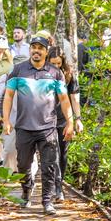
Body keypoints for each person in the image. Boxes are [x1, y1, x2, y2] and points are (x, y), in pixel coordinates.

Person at [2, 36, 74, 215]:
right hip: (24, 127)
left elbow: (64, 99)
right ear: (30, 50)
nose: (36, 50)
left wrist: (70, 122)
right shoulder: (18, 70)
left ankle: (47, 201)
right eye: (33, 47)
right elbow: (9, 96)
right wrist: (6, 120)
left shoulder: (55, 73)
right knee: (23, 165)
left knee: (49, 165)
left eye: (40, 48)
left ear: (46, 51)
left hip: (48, 128)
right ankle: (27, 191)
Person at [0, 55, 38, 177]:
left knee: (29, 148)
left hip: (29, 118)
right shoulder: (6, 78)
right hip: (10, 118)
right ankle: (9, 173)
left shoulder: (34, 78)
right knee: (10, 148)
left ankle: (29, 175)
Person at [47, 46, 84, 203]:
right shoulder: (41, 75)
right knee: (51, 154)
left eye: (59, 64)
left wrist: (78, 119)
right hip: (46, 119)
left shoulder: (68, 75)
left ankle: (59, 185)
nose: (56, 67)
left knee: (62, 154)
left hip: (64, 119)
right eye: (53, 64)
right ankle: (54, 188)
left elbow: (74, 98)